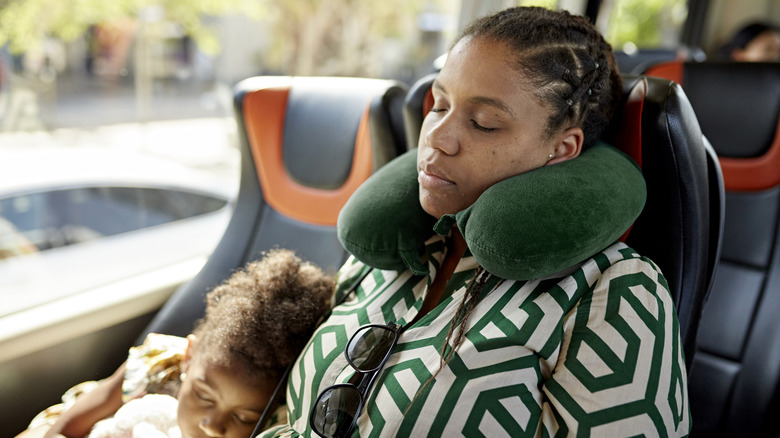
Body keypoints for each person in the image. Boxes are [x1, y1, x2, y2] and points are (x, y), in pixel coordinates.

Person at [258, 7, 690, 438]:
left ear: (560, 150)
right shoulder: (394, 250)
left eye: (484, 124)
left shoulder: (616, 287)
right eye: (440, 104)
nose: (438, 138)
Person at [17, 249, 335, 438]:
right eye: (202, 394)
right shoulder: (157, 366)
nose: (212, 425)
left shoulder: (276, 421)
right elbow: (70, 425)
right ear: (189, 356)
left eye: (244, 418)